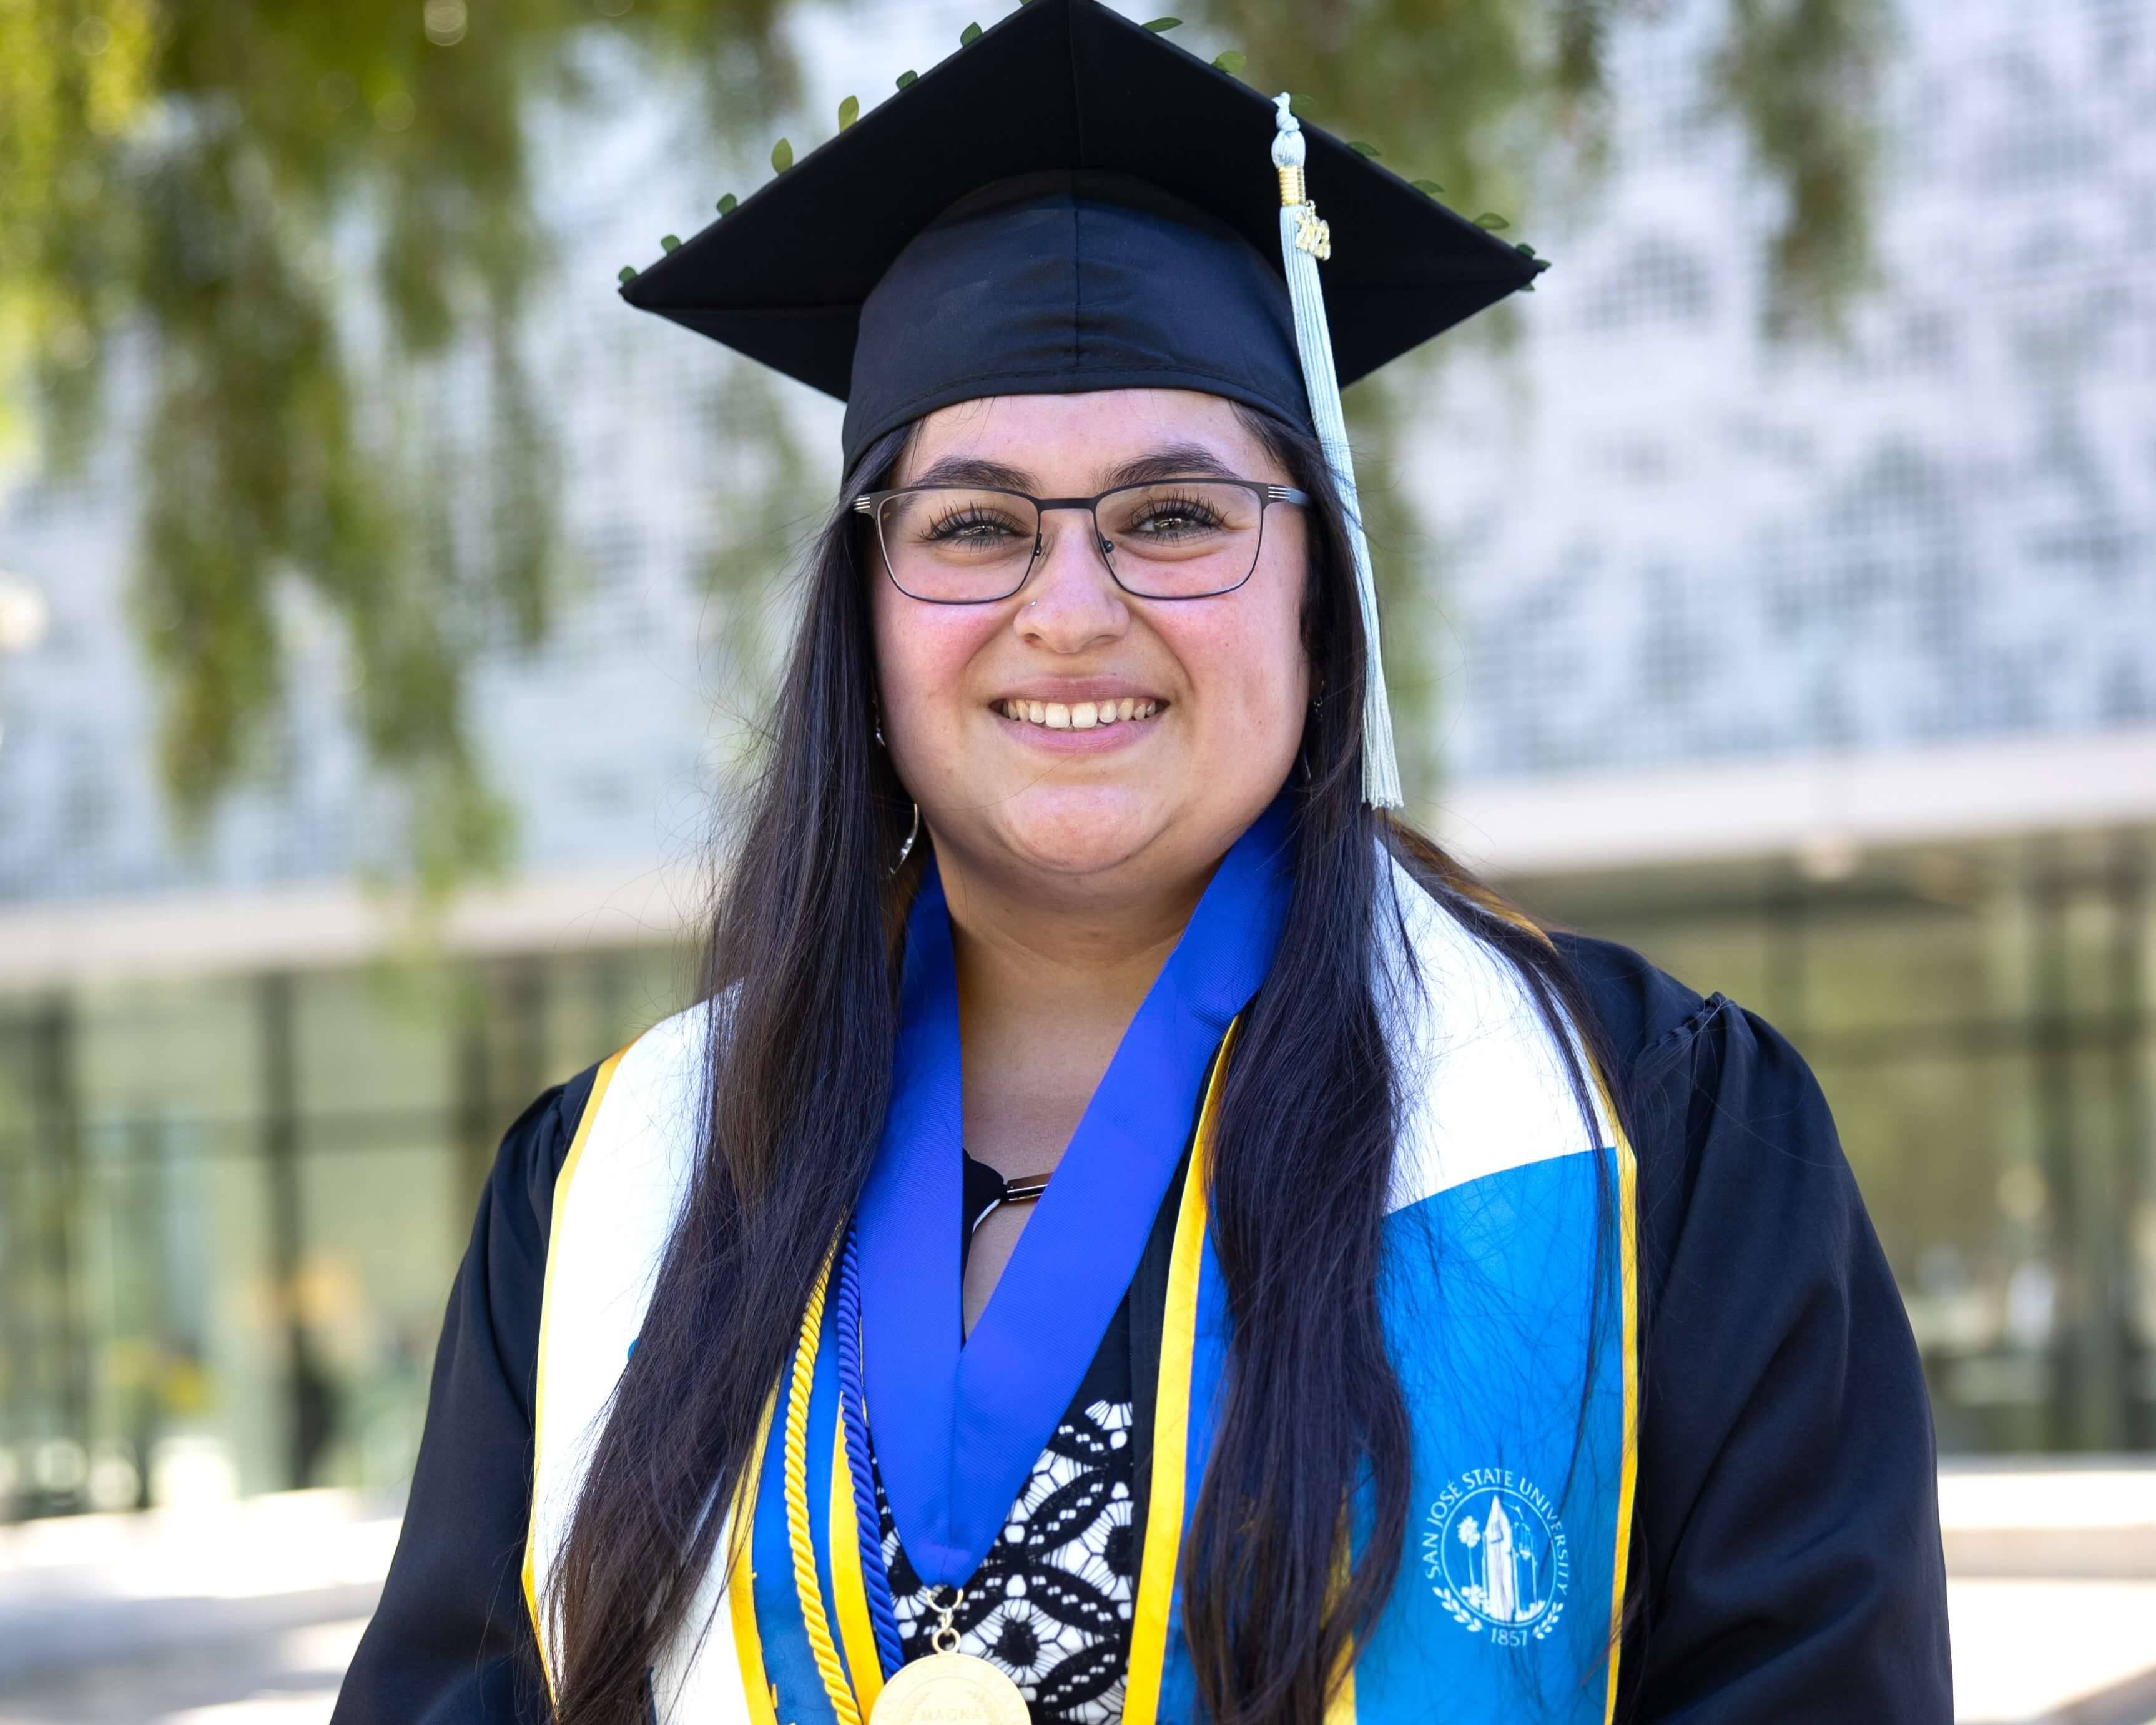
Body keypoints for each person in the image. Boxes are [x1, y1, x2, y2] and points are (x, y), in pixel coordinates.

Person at [333, 3, 1952, 1721]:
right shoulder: (620, 1194)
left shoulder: (1656, 1146)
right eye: (973, 523)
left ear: (1318, 591)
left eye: (1177, 515)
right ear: (864, 621)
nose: (1073, 606)